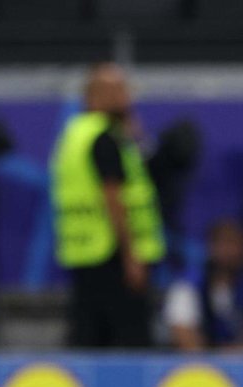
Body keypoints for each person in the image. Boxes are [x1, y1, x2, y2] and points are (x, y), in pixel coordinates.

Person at [49, 62, 165, 348]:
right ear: (96, 96)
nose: (127, 96)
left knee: (90, 339)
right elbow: (112, 198)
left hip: (83, 251)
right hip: (112, 254)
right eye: (118, 90)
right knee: (130, 342)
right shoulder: (104, 137)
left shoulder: (74, 134)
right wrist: (131, 255)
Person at [163, 219, 243, 351]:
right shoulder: (188, 286)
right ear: (211, 247)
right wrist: (223, 356)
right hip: (197, 367)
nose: (231, 251)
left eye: (236, 244)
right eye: (225, 243)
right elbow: (185, 338)